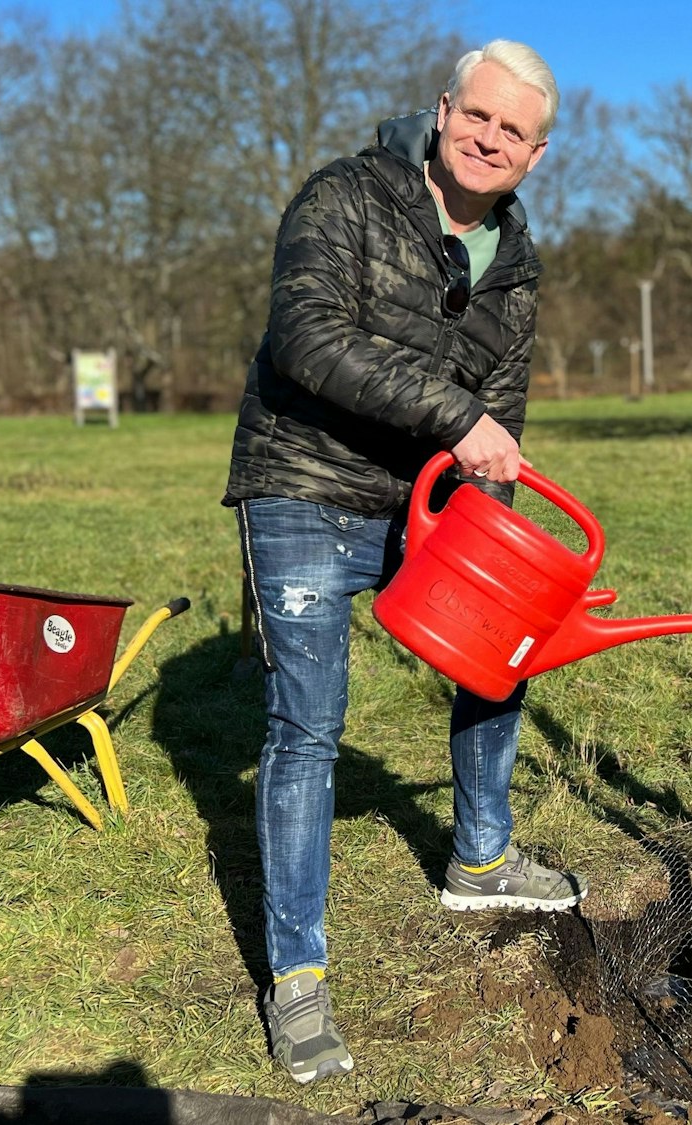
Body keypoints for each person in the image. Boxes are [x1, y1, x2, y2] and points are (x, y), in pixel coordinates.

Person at [221, 41, 583, 1086]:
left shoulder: (515, 264)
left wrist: (494, 549)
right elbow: (304, 337)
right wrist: (456, 418)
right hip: (305, 487)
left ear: (537, 154)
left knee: (497, 659)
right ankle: (296, 977)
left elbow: (498, 418)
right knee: (307, 728)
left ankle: (479, 859)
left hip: (423, 508)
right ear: (441, 111)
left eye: (511, 132)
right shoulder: (344, 198)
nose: (488, 140)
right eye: (476, 117)